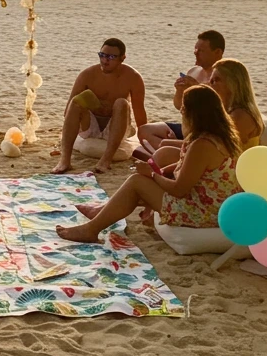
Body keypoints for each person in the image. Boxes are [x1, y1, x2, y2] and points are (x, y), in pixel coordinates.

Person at [56, 85, 240, 244]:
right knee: (140, 181)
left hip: (202, 212)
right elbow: (190, 170)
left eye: (183, 109)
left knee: (137, 182)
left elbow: (179, 190)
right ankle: (100, 213)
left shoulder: (202, 145)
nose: (181, 113)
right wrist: (158, 171)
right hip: (212, 205)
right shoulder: (217, 137)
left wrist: (153, 175)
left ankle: (91, 230)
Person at [52, 37, 147, 174]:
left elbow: (139, 112)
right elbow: (68, 110)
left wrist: (145, 141)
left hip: (116, 126)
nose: (105, 60)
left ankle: (105, 161)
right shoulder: (88, 74)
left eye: (111, 57)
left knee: (121, 103)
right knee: (76, 101)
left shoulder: (133, 77)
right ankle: (64, 161)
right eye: (102, 55)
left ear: (122, 58)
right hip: (90, 125)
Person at [149, 57, 262, 171]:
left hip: (229, 170)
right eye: (210, 80)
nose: (210, 84)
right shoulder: (226, 108)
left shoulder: (240, 115)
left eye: (216, 80)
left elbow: (216, 147)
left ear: (233, 83)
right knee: (164, 145)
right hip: (216, 160)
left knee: (164, 153)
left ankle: (157, 177)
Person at [137, 30, 225, 151]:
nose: (196, 53)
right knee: (144, 131)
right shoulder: (193, 72)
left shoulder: (223, 77)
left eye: (201, 51)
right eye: (195, 50)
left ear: (217, 52)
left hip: (210, 132)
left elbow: (221, 108)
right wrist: (179, 91)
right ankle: (179, 155)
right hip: (188, 127)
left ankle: (178, 155)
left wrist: (198, 87)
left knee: (165, 145)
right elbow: (179, 106)